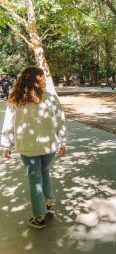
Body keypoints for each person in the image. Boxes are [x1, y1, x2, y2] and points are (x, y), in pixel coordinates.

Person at [1, 67, 66, 230]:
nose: (45, 80)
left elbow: (8, 124)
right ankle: (48, 203)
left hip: (27, 148)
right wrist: (62, 142)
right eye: (42, 78)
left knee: (35, 179)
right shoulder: (50, 98)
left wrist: (6, 144)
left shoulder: (15, 99)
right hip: (48, 146)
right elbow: (61, 121)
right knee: (44, 172)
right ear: (36, 81)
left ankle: (39, 217)